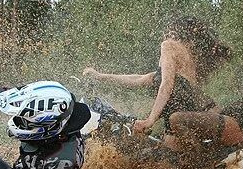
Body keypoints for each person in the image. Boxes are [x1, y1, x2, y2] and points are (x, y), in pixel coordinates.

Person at [82, 16, 231, 145]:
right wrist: (100, 76)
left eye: (168, 30)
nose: (164, 34)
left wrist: (150, 120)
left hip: (182, 115)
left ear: (174, 31)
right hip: (190, 113)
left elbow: (167, 85)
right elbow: (139, 79)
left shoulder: (169, 45)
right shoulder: (185, 57)